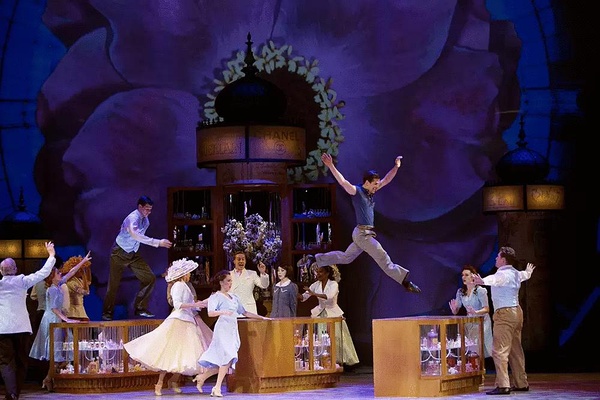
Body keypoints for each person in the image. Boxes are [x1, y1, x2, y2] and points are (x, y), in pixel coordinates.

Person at [315, 153, 420, 293]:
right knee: (382, 257)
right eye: (375, 184)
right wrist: (330, 165)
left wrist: (396, 167)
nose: (377, 186)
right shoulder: (357, 192)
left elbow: (387, 179)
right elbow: (343, 182)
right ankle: (405, 282)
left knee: (346, 257)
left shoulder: (370, 192)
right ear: (367, 182)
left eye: (377, 184)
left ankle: (317, 259)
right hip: (362, 235)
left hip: (362, 233)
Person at [124, 258, 213, 396]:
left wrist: (201, 304)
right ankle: (159, 383)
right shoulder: (177, 285)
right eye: (188, 272)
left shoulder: (185, 285)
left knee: (184, 355)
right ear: (183, 273)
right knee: (170, 353)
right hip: (178, 321)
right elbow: (177, 304)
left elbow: (191, 304)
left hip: (188, 321)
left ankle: (173, 380)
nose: (190, 275)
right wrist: (195, 305)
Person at [193, 270, 270, 397]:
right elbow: (210, 313)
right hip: (222, 329)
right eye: (228, 281)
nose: (230, 283)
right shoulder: (216, 296)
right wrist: (223, 312)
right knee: (228, 356)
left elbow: (244, 312)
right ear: (221, 282)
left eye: (231, 281)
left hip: (232, 330)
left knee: (228, 359)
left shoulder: (234, 297)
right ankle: (217, 387)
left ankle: (203, 377)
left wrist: (261, 317)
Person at [472, 246, 536, 395]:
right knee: (515, 349)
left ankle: (503, 385)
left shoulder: (503, 274)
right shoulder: (515, 273)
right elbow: (524, 275)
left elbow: (495, 280)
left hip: (505, 314)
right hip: (516, 313)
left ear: (503, 260)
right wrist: (528, 272)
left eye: (498, 256)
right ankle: (521, 383)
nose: (496, 258)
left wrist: (482, 281)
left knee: (499, 350)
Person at [28, 251, 91, 392]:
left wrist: (83, 262)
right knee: (56, 351)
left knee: (61, 351)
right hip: (52, 319)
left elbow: (71, 272)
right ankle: (49, 379)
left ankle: (49, 379)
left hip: (58, 318)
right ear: (52, 277)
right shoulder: (51, 289)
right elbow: (54, 308)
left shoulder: (59, 284)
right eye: (58, 273)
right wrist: (67, 319)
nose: (61, 274)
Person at [102, 195, 173, 321]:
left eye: (150, 209)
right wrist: (158, 242)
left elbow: (138, 238)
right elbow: (136, 235)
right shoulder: (132, 218)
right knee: (114, 284)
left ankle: (140, 307)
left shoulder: (145, 220)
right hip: (119, 252)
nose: (149, 212)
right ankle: (107, 312)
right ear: (140, 207)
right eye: (147, 209)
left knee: (149, 278)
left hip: (132, 253)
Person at [0, 242, 56, 400]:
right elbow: (43, 273)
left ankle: (12, 393)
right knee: (21, 362)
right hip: (22, 328)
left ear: (1, 271)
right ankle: (14, 393)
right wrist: (51, 255)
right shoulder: (22, 281)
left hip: (3, 329)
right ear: (15, 269)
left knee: (6, 362)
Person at [301, 264, 359, 370]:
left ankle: (338, 361)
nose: (318, 274)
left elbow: (329, 296)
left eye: (321, 272)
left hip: (333, 314)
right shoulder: (315, 285)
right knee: (321, 338)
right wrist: (293, 291)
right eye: (317, 272)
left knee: (336, 338)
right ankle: (324, 360)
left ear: (327, 273)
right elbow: (304, 297)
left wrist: (314, 294)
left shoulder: (333, 284)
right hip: (321, 314)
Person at [448, 265, 493, 359]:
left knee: (478, 348)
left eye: (466, 275)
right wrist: (454, 309)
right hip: (469, 323)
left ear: (473, 276)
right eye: (462, 275)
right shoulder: (461, 292)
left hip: (480, 323)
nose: (463, 277)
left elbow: (486, 309)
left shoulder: (480, 291)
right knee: (470, 348)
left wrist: (476, 312)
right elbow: (456, 310)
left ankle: (480, 366)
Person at [229, 250, 269, 315]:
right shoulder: (229, 275)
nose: (241, 261)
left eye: (243, 259)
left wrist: (263, 273)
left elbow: (264, 285)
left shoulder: (252, 274)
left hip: (249, 309)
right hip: (234, 309)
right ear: (234, 261)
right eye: (239, 259)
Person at [60, 255, 93, 321]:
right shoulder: (71, 282)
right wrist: (83, 274)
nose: (81, 271)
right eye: (80, 269)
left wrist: (87, 270)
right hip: (73, 313)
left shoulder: (79, 280)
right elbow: (86, 292)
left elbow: (88, 282)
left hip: (81, 312)